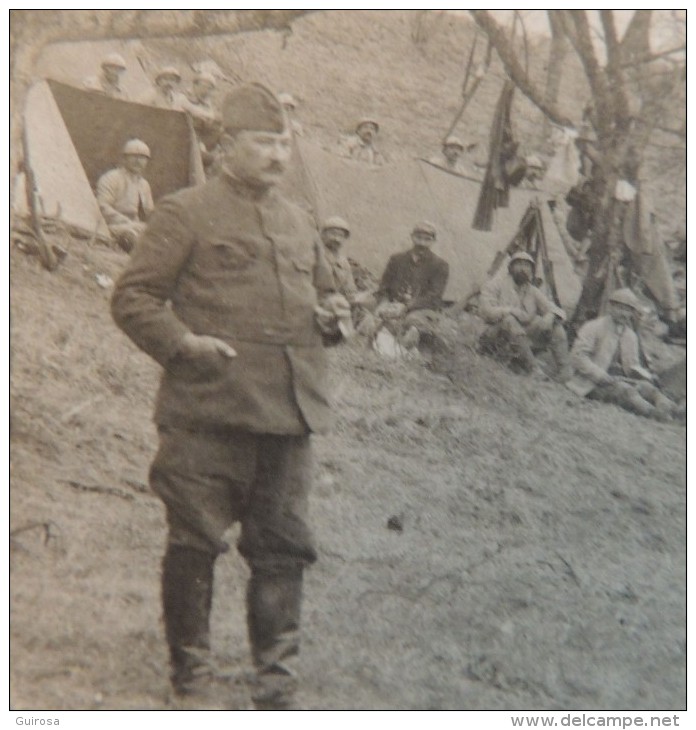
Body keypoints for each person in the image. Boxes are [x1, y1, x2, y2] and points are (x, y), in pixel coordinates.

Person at [111, 83, 349, 710]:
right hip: (208, 410)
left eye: (284, 143)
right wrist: (184, 344)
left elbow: (327, 296)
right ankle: (192, 679)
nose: (278, 155)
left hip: (287, 414)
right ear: (225, 146)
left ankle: (276, 685)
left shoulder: (299, 221)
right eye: (264, 142)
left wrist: (335, 314)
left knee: (283, 549)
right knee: (194, 540)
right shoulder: (185, 212)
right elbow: (132, 298)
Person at [566, 288, 682, 422]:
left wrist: (645, 375)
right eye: (620, 309)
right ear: (611, 307)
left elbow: (633, 365)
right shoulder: (594, 327)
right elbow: (578, 356)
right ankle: (654, 414)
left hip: (620, 378)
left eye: (628, 310)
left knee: (649, 389)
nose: (624, 314)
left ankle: (672, 409)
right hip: (591, 381)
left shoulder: (630, 335)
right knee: (626, 391)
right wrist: (600, 375)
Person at [478, 251, 570, 379]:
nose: (523, 269)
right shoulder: (496, 284)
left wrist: (550, 316)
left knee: (555, 325)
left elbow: (555, 309)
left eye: (527, 266)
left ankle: (564, 372)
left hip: (520, 340)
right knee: (509, 320)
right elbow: (486, 311)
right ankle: (533, 368)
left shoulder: (532, 290)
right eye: (519, 264)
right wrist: (510, 310)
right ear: (510, 268)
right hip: (493, 338)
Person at [373, 221, 449, 350]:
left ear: (433, 241)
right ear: (412, 237)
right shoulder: (397, 259)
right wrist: (384, 302)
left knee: (412, 322)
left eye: (427, 239)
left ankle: (415, 340)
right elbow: (384, 286)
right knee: (373, 315)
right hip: (393, 304)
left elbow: (434, 296)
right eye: (419, 238)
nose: (422, 243)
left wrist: (407, 306)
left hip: (420, 308)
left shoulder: (440, 265)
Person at [96, 139, 154, 253]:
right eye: (134, 157)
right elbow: (102, 206)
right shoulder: (111, 178)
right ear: (124, 158)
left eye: (142, 158)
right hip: (112, 225)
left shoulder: (144, 184)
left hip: (136, 226)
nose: (138, 161)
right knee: (132, 238)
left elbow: (150, 212)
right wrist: (126, 222)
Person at [179, 72, 222, 169]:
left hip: (202, 142)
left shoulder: (208, 106)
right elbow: (191, 111)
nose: (206, 90)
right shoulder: (183, 99)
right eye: (204, 86)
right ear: (195, 85)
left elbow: (212, 122)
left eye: (210, 88)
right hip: (184, 139)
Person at [320, 216, 357, 304]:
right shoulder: (314, 255)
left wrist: (351, 297)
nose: (337, 239)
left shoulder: (343, 262)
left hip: (338, 306)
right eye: (333, 234)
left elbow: (349, 289)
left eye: (341, 236)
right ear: (323, 234)